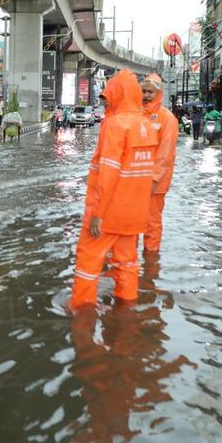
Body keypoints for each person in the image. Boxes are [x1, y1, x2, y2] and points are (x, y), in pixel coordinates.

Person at [69, 70, 158, 312]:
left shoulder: (115, 125)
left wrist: (98, 213)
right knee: (127, 263)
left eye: (108, 95)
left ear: (118, 93)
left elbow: (108, 173)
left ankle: (81, 311)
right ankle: (126, 311)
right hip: (134, 215)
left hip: (107, 214)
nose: (105, 100)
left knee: (88, 262)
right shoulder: (146, 126)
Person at [140, 73, 178, 253]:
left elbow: (166, 154)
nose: (146, 95)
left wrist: (154, 180)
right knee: (129, 223)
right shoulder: (137, 114)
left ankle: (151, 262)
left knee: (151, 224)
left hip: (156, 183)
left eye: (150, 92)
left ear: (159, 93)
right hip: (136, 179)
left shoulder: (167, 118)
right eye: (144, 91)